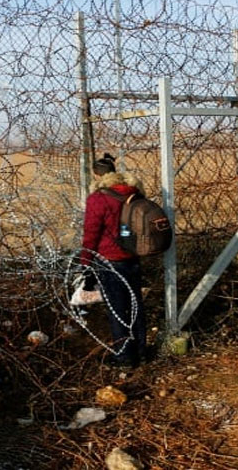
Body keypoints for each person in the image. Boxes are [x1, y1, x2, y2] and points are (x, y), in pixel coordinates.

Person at [78, 153, 148, 368]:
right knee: (135, 305)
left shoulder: (98, 198)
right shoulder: (134, 193)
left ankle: (124, 356)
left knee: (117, 309)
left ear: (97, 175)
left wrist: (85, 263)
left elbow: (91, 234)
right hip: (133, 256)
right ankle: (141, 351)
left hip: (109, 260)